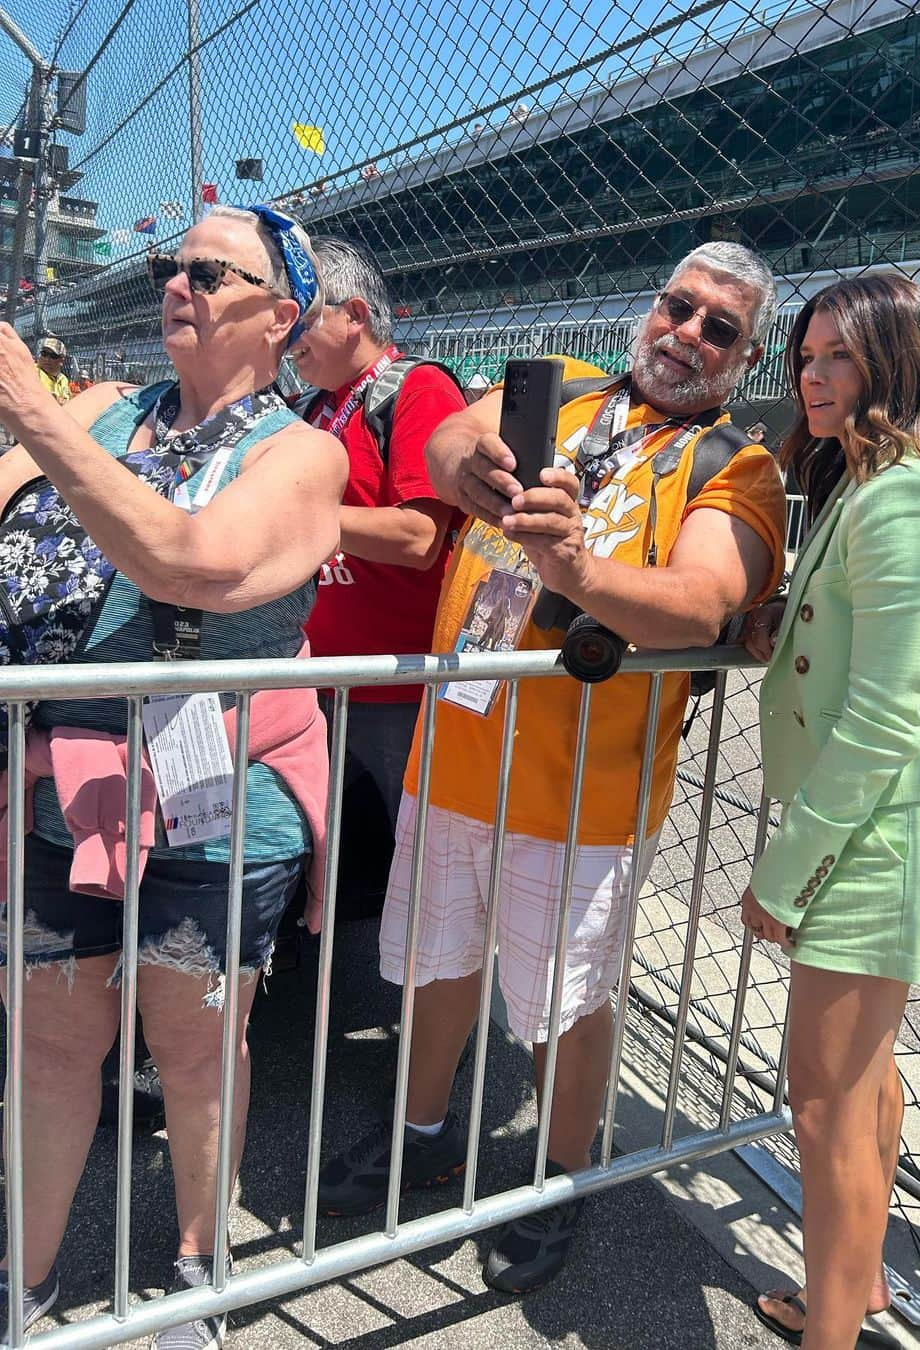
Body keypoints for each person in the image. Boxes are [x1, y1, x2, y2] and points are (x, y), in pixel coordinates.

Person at [317, 240, 788, 1292]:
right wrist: (468, 470)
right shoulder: (558, 389)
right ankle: (424, 1131)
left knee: (567, 999)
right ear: (649, 307)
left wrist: (572, 565)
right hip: (456, 759)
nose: (688, 335)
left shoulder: (735, 467)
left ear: (744, 361)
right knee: (439, 963)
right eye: (679, 306)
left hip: (586, 793)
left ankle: (560, 1175)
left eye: (721, 328)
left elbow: (705, 601)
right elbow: (451, 442)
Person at [0, 203, 346, 1346]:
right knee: (51, 1049)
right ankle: (28, 1277)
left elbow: (193, 563)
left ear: (279, 315)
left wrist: (40, 430)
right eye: (172, 265)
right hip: (64, 786)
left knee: (196, 1053)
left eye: (212, 270)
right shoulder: (106, 408)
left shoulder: (301, 451)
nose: (179, 284)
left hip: (214, 805)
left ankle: (202, 1271)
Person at [740, 273, 920, 1350]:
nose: (812, 373)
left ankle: (829, 1329)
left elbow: (886, 715)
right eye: (806, 354)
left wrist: (782, 876)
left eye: (840, 355)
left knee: (824, 1104)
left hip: (871, 845)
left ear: (899, 365)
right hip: (874, 835)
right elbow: (853, 656)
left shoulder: (909, 498)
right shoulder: (866, 488)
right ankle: (861, 1286)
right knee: (863, 1085)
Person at [292, 236, 464, 912]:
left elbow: (421, 536)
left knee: (429, 877)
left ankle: (454, 1015)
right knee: (318, 861)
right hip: (316, 683)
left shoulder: (417, 389)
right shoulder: (313, 407)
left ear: (353, 315)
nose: (288, 340)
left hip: (401, 693)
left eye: (300, 319)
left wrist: (300, 516)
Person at [35, 337, 71, 404]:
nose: (47, 359)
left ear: (62, 360)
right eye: (44, 354)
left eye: (53, 356)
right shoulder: (33, 370)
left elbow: (67, 400)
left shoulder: (63, 379)